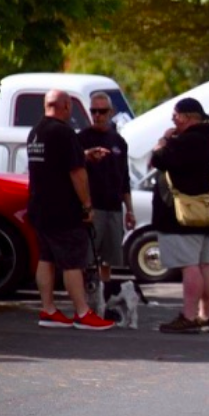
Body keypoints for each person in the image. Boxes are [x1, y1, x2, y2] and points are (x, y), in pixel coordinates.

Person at [28, 90, 115, 331]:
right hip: (63, 209)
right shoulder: (64, 132)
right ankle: (82, 312)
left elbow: (53, 163)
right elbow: (77, 173)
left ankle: (48, 309)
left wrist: (84, 155)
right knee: (72, 261)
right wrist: (87, 204)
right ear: (65, 106)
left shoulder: (36, 132)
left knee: (46, 259)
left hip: (39, 206)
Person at [150, 98, 209, 334]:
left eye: (175, 116)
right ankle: (206, 315)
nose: (173, 121)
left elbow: (158, 160)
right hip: (206, 210)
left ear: (187, 117)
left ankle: (189, 316)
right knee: (204, 264)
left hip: (182, 214)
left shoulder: (187, 141)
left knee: (189, 266)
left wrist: (163, 141)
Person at [78, 92, 135, 283]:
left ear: (110, 112)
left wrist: (130, 210)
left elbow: (124, 177)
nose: (97, 116)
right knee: (88, 257)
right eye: (94, 111)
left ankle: (105, 294)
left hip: (114, 206)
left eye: (102, 111)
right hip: (93, 206)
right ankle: (88, 296)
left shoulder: (118, 141)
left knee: (109, 258)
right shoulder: (82, 138)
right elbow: (73, 169)